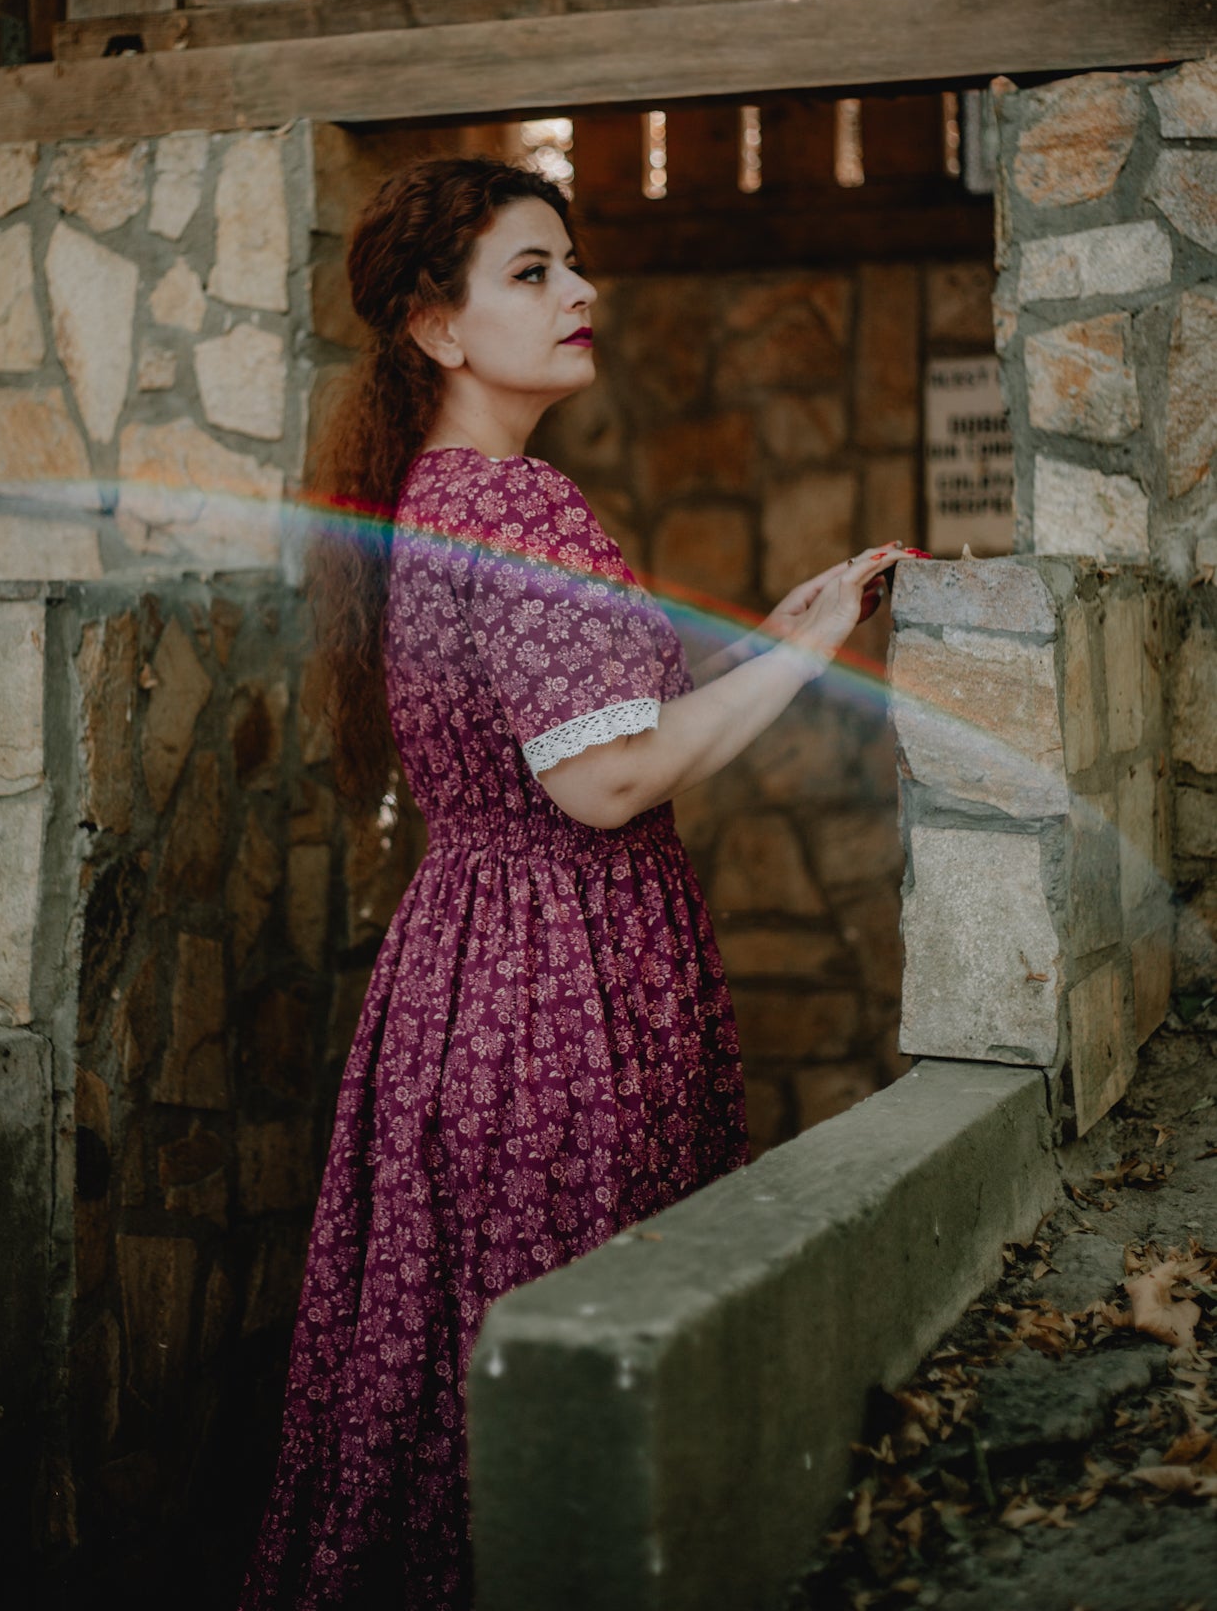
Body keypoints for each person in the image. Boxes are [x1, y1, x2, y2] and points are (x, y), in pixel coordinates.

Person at [242, 156, 901, 1608]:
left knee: (444, 1378)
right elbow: (600, 782)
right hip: (556, 1000)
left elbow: (583, 739)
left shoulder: (431, 498)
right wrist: (804, 657)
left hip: (462, 977)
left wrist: (762, 645)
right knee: (572, 1380)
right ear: (436, 329)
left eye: (572, 263)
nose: (579, 291)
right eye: (530, 273)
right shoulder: (517, 508)